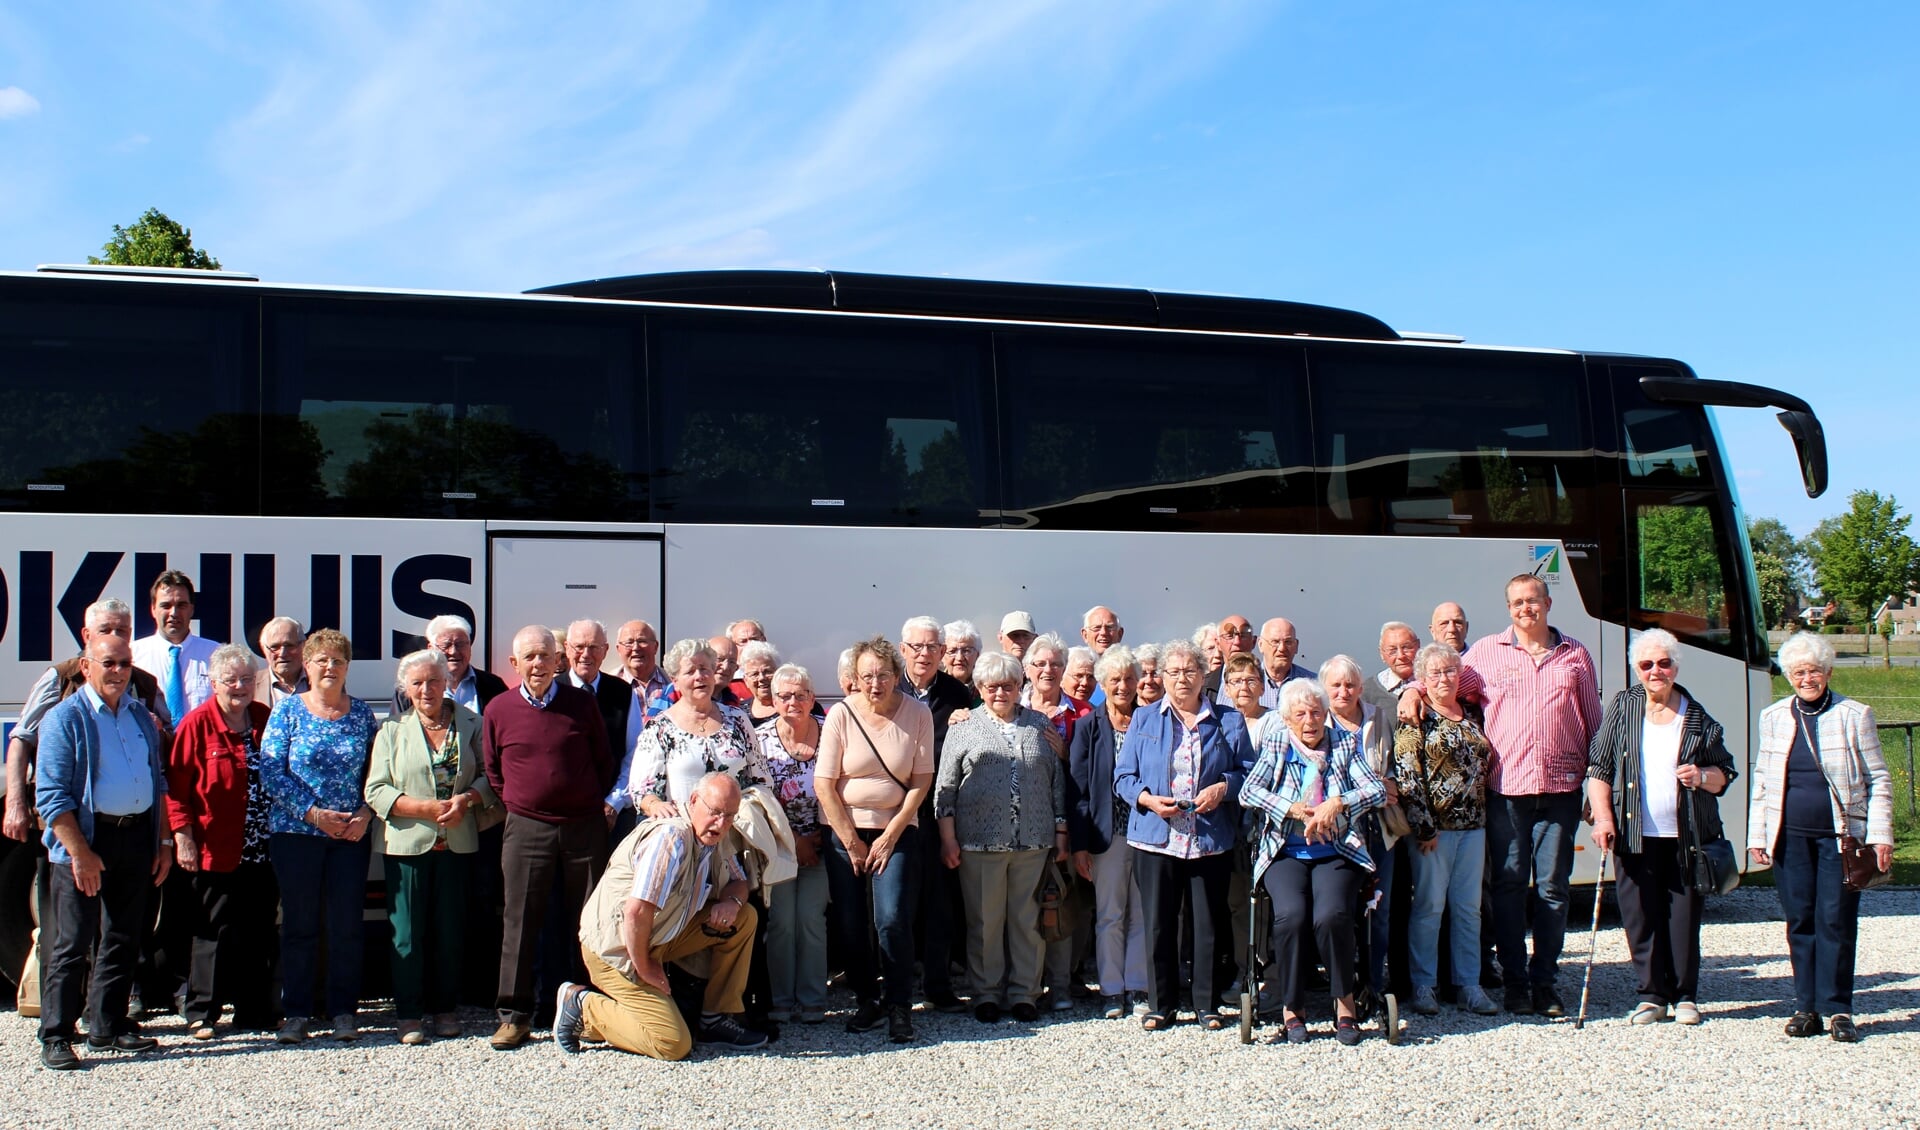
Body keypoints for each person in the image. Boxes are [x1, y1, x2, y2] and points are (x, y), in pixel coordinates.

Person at [1412, 575, 1600, 1017]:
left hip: (1561, 789)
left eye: (1532, 601)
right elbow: (1446, 679)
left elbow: (1594, 721)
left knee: (1553, 889)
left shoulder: (1575, 656)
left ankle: (1545, 983)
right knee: (1510, 886)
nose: (1524, 609)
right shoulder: (1487, 654)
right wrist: (1412, 693)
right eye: (1516, 603)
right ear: (1508, 608)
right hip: (1507, 790)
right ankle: (1515, 982)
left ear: (1548, 603)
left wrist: (1595, 784)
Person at [556, 772, 769, 1059]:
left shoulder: (716, 833)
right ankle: (583, 1006)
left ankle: (715, 1019)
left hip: (658, 937)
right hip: (618, 950)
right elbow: (636, 911)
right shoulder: (671, 838)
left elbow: (739, 880)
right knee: (672, 1043)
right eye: (715, 812)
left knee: (744, 919)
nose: (721, 823)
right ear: (694, 801)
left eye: (729, 816)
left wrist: (731, 901)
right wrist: (645, 968)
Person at [1747, 632, 1894, 1043]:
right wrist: (1756, 835)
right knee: (1800, 920)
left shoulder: (1854, 714)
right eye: (1798, 672)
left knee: (1836, 920)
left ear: (1827, 672)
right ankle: (1805, 1006)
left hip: (1840, 839)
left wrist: (1880, 835)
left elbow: (1878, 778)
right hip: (1789, 838)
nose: (1806, 678)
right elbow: (1763, 780)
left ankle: (1839, 1008)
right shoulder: (1774, 716)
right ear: (1789, 677)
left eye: (1813, 671)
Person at [34, 634, 172, 1070]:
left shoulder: (139, 717)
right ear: (86, 667)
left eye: (125, 664)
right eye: (108, 663)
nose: (118, 672)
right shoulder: (65, 719)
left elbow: (159, 782)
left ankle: (106, 1026)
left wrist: (163, 842)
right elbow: (52, 796)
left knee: (122, 938)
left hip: (135, 840)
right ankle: (56, 1034)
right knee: (72, 944)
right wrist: (80, 853)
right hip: (88, 841)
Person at [1586, 630, 1736, 1028]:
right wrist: (1603, 818)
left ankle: (1685, 995)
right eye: (1647, 664)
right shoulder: (1623, 707)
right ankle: (1652, 995)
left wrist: (1702, 776)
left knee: (1683, 918)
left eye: (1664, 663)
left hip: (1686, 837)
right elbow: (1599, 769)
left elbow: (1724, 774)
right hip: (1635, 834)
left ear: (1675, 666)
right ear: (1637, 669)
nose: (1656, 671)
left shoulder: (1697, 715)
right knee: (1640, 916)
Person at [483, 625, 615, 1050]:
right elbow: (494, 771)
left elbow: (603, 761)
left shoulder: (581, 704)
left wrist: (580, 800)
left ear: (559, 660)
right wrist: (527, 804)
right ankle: (514, 1016)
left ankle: (593, 1013)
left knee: (591, 923)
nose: (539, 664)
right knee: (519, 922)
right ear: (515, 664)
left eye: (545, 655)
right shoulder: (499, 709)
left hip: (584, 826)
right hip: (527, 828)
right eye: (530, 657)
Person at [1113, 638, 1254, 1032]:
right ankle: (1162, 1005)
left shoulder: (1228, 720)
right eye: (1172, 673)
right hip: (1156, 837)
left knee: (1207, 923)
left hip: (1208, 838)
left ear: (1203, 674)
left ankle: (1206, 1004)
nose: (1181, 680)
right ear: (1161, 677)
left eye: (1189, 671)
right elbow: (1123, 777)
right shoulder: (1144, 719)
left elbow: (1249, 773)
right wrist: (1148, 800)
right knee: (1159, 923)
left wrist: (1223, 788)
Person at [1240, 678, 1385, 1045]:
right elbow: (1248, 792)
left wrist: (1340, 802)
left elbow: (1377, 789)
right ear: (1287, 720)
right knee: (1291, 916)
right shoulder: (1277, 743)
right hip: (1285, 851)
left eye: (1316, 713)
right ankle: (1293, 1007)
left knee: (1332, 915)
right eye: (1301, 714)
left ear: (1326, 715)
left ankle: (1345, 1003)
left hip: (1335, 850)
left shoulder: (1343, 743)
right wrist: (1288, 807)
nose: (1310, 721)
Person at [366, 648, 495, 1044]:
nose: (427, 690)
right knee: (406, 932)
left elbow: (493, 776)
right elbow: (376, 789)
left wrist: (468, 800)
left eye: (434, 681)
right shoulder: (391, 730)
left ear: (447, 683)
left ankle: (444, 1008)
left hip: (457, 843)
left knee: (450, 931)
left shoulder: (473, 723)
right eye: (417, 683)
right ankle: (408, 1013)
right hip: (407, 844)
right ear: (406, 688)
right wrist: (421, 807)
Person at [259, 628, 379, 1043]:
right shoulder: (288, 712)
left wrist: (366, 812)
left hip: (350, 835)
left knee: (346, 924)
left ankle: (344, 1010)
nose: (330, 667)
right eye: (321, 660)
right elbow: (270, 772)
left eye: (338, 660)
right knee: (300, 924)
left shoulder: (362, 714)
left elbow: (377, 774)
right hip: (297, 834)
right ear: (306, 666)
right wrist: (312, 815)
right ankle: (297, 1012)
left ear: (348, 667)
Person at [816, 636, 935, 1042]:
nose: (874, 683)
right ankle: (868, 999)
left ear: (896, 675)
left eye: (883, 675)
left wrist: (891, 833)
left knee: (892, 918)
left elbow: (922, 781)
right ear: (854, 678)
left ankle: (900, 1004)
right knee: (850, 921)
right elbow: (824, 783)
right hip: (845, 830)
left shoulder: (918, 713)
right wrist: (850, 841)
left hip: (897, 829)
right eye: (866, 676)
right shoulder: (840, 715)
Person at [936, 651, 1064, 1023]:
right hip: (978, 842)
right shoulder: (963, 726)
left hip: (1034, 840)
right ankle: (986, 993)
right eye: (992, 687)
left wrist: (1061, 830)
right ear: (979, 689)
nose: (1000, 693)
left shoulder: (1039, 725)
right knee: (985, 922)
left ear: (1019, 686)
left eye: (1008, 685)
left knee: (1027, 921)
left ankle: (1025, 992)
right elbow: (945, 789)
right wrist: (948, 838)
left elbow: (1056, 783)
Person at [165, 643, 277, 1039]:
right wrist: (183, 837)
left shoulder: (264, 718)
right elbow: (176, 788)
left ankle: (255, 1011)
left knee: (258, 929)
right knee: (211, 929)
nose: (239, 687)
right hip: (215, 844)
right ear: (213, 683)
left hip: (261, 847)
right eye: (230, 680)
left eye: (247, 679)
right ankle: (202, 1013)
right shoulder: (196, 724)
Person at [1393, 644, 1497, 1017]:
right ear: (1423, 679)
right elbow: (1408, 775)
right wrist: (1423, 828)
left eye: (1450, 671)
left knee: (1468, 910)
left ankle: (1468, 984)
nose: (1443, 679)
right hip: (1434, 832)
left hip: (1475, 828)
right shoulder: (1417, 718)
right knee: (1429, 907)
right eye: (1434, 673)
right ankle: (1424, 985)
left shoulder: (1471, 714)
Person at [899, 615, 975, 1013]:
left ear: (942, 653)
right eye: (917, 646)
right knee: (896, 901)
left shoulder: (958, 693)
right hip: (895, 812)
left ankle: (938, 984)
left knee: (940, 903)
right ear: (903, 650)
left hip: (940, 812)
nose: (924, 654)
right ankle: (895, 986)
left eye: (932, 647)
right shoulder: (888, 688)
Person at [1068, 645, 1149, 1019]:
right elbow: (1078, 790)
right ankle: (1112, 989)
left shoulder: (1151, 721)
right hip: (1107, 835)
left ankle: (1139, 985)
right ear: (1103, 683)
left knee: (1142, 912)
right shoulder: (1088, 726)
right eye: (1114, 679)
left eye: (1128, 679)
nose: (1122, 686)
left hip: (1148, 832)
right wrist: (1080, 846)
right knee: (1110, 913)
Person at [1322, 653, 1405, 1008]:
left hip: (1376, 827)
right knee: (1339, 909)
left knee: (1377, 909)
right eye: (1336, 685)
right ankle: (1340, 987)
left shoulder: (1378, 718)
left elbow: (1395, 766)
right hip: (1334, 831)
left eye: (1350, 684)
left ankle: (1372, 982)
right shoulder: (1317, 720)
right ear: (1325, 689)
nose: (1344, 691)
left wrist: (1392, 783)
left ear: (1361, 687)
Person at [757, 664, 829, 1024]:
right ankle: (782, 999)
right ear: (772, 700)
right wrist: (795, 840)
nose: (793, 702)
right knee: (782, 921)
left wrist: (816, 837)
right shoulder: (760, 739)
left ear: (812, 699)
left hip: (823, 844)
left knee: (811, 919)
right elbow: (757, 797)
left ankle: (814, 998)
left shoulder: (832, 732)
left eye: (801, 695)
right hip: (778, 846)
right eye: (785, 695)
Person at [629, 639, 771, 817]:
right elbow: (641, 790)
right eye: (690, 671)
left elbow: (762, 779)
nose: (699, 676)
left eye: (705, 669)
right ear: (675, 681)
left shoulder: (738, 719)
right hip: (685, 831)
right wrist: (655, 805)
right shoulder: (659, 728)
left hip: (738, 831)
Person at [609, 619, 672, 841]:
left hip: (664, 802)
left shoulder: (675, 687)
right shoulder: (609, 690)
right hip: (618, 803)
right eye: (629, 642)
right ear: (618, 649)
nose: (636, 647)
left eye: (643, 641)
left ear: (656, 647)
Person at [132, 569, 220, 722]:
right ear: (153, 609)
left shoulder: (216, 655)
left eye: (181, 605)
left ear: (192, 609)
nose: (174, 612)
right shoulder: (133, 656)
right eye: (166, 605)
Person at [394, 614, 509, 716]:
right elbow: (398, 732)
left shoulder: (493, 686)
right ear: (430, 648)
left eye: (460, 644)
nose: (453, 651)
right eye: (446, 645)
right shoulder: (410, 691)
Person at [566, 619, 633, 774]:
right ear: (567, 649)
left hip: (611, 795)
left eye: (594, 647)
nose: (586, 655)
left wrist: (616, 798)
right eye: (579, 647)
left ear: (605, 650)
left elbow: (633, 751)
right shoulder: (552, 690)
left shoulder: (623, 692)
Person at [1363, 621, 1421, 717]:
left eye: (1406, 647)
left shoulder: (1435, 681)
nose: (1401, 656)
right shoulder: (1368, 691)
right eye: (1392, 650)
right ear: (1382, 654)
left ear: (1418, 646)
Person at [1248, 618, 1309, 709]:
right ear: (1260, 645)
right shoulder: (1245, 685)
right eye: (1275, 642)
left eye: (1288, 642)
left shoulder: (1312, 684)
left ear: (1296, 646)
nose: (1282, 648)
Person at [253, 616, 308, 707]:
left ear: (303, 645)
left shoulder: (319, 680)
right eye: (275, 647)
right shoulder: (250, 685)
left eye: (289, 645)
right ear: (263, 649)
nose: (282, 653)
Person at [738, 641, 783, 725]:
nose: (762, 678)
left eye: (767, 671)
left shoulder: (793, 706)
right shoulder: (738, 713)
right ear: (746, 680)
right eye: (754, 674)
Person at [942, 619, 983, 688]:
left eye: (966, 651)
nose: (959, 658)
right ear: (942, 655)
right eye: (952, 651)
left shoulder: (987, 690)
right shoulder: (930, 688)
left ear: (977, 656)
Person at [1134, 643, 1165, 707]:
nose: (1149, 681)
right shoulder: (1125, 711)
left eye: (1155, 673)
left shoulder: (1176, 710)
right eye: (1143, 674)